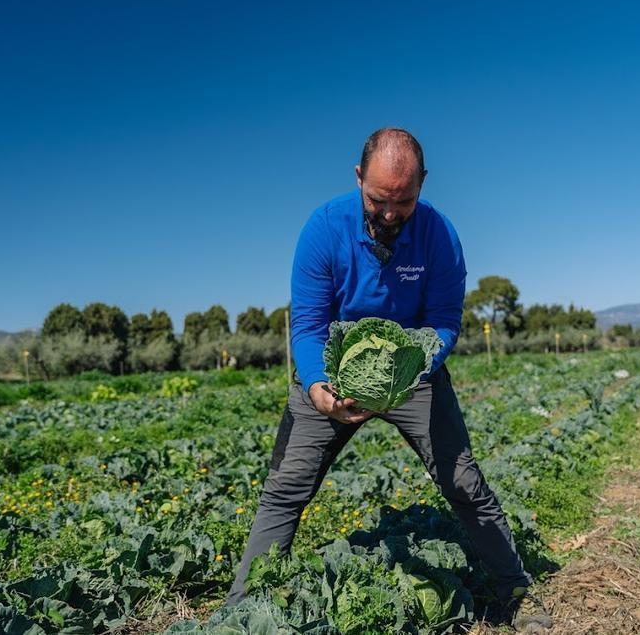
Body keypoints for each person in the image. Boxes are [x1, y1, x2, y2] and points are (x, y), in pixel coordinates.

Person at [224, 127, 552, 631]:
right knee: (287, 485)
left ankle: (515, 590)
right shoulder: (323, 229)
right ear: (359, 180)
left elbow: (444, 318)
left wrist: (413, 365)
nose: (392, 213)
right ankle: (241, 608)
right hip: (334, 374)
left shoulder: (440, 235)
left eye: (405, 201)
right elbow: (308, 326)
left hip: (412, 372)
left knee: (462, 479)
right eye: (379, 200)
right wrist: (317, 387)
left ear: (422, 183)